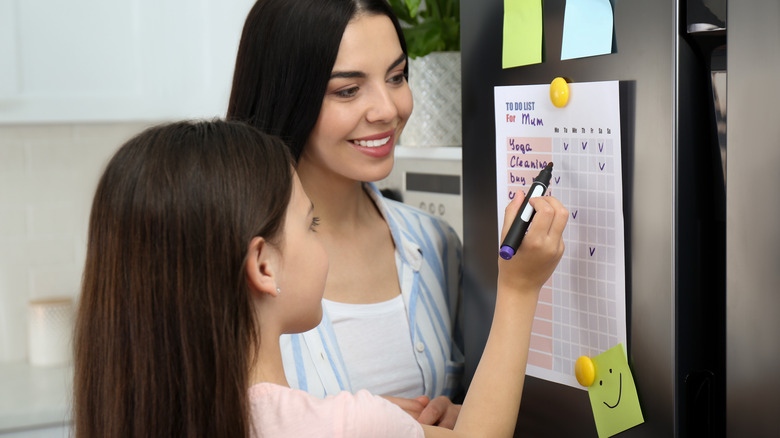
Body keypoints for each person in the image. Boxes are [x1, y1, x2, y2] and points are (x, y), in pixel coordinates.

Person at [72, 119, 568, 437]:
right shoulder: (345, 425)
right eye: (311, 223)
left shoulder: (150, 414)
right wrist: (519, 287)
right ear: (263, 266)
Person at [227, 0, 463, 426]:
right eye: (348, 90)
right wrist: (355, 422)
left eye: (396, 77)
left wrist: (458, 417)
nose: (388, 110)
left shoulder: (435, 242)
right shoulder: (228, 262)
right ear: (287, 96)